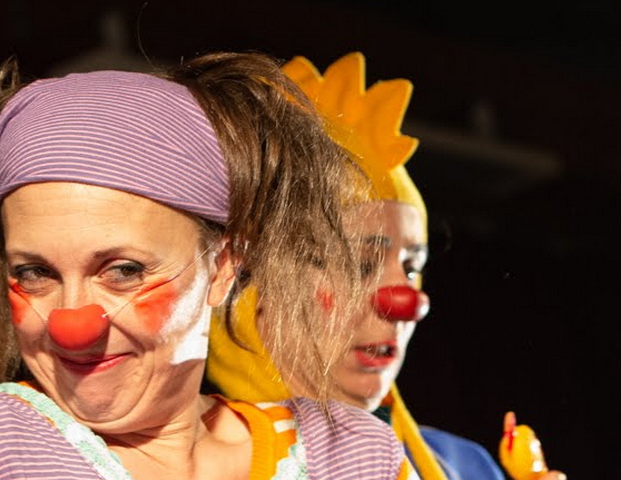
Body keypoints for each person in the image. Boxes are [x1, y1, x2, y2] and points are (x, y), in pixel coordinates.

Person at [0, 51, 420, 480]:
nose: (71, 324)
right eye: (35, 274)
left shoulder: (350, 457)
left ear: (223, 267)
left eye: (123, 271)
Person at [205, 52, 566, 480]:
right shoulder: (191, 461)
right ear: (248, 282)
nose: (408, 302)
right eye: (361, 265)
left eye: (412, 268)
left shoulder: (462, 465)